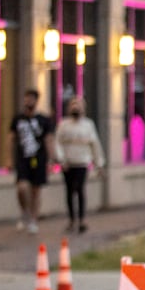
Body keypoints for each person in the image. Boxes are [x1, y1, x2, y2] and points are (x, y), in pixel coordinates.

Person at [54, 97, 105, 234]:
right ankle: (72, 219)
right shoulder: (63, 125)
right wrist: (61, 159)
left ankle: (82, 219)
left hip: (82, 162)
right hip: (68, 163)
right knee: (70, 191)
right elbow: (57, 143)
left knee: (79, 189)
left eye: (78, 105)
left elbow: (95, 144)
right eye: (73, 105)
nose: (75, 108)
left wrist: (99, 163)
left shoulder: (88, 125)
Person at [10, 89, 54, 234]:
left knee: (36, 190)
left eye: (31, 99)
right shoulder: (18, 119)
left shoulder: (44, 120)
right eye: (26, 99)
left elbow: (48, 139)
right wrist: (10, 159)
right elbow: (11, 138)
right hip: (22, 158)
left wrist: (51, 159)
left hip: (38, 158)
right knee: (22, 188)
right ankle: (24, 212)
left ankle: (33, 219)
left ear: (36, 101)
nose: (28, 102)